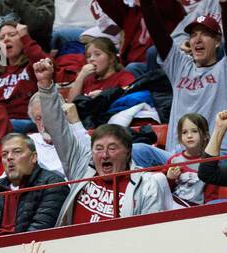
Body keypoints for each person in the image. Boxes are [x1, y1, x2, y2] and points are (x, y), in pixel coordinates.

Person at [33, 58, 174, 225]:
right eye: (99, 148)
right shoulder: (81, 167)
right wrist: (45, 86)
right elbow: (57, 128)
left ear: (128, 152)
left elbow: (150, 232)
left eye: (112, 148)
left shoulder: (147, 184)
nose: (105, 155)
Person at [139, 5, 227, 164]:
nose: (198, 39)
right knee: (138, 151)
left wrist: (225, 4)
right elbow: (157, 32)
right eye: (193, 35)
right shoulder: (179, 65)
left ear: (217, 41)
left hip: (213, 155)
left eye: (205, 34)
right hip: (176, 156)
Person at [0, 132, 66, 239]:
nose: (9, 158)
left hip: (32, 250)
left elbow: (40, 229)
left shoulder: (53, 184)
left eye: (17, 152)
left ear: (33, 157)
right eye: (4, 154)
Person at [64, 35, 134, 100]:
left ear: (111, 58)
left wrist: (103, 94)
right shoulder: (88, 80)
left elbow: (132, 93)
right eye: (88, 56)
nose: (91, 59)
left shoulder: (123, 76)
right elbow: (71, 104)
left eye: (97, 54)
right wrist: (81, 77)